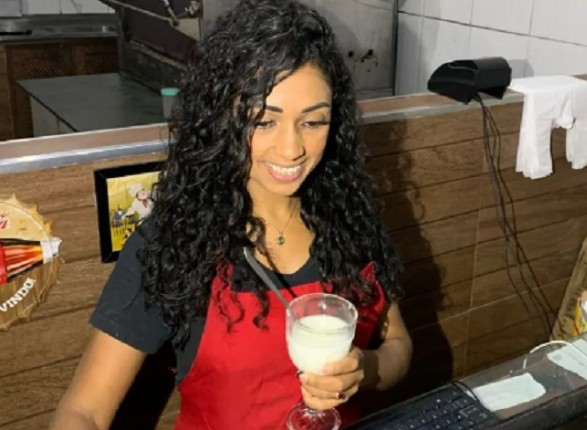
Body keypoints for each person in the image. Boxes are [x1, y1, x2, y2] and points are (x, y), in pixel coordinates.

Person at [49, 0, 412, 429]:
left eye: (313, 122)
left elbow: (397, 344)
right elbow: (83, 412)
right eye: (263, 121)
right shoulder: (175, 243)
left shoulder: (348, 217)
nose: (292, 149)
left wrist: (364, 369)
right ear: (224, 118)